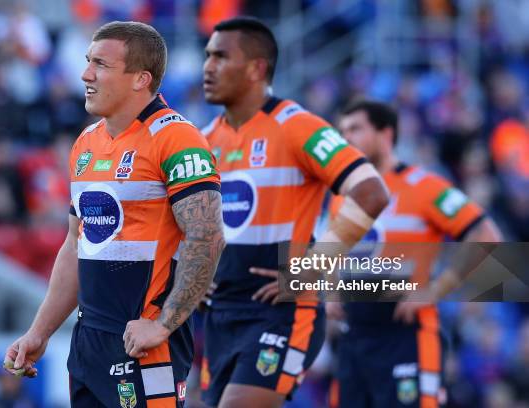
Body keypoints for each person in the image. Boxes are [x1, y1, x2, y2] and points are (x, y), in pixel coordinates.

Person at [3, 21, 225, 408]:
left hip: (144, 344)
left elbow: (207, 236)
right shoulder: (86, 143)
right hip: (88, 342)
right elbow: (75, 244)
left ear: (141, 79)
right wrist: (39, 333)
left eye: (101, 65)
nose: (86, 73)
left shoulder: (177, 138)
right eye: (89, 61)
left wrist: (162, 324)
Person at [199, 17, 389, 408]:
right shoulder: (204, 140)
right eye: (207, 55)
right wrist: (191, 274)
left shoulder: (296, 127)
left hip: (282, 312)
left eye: (220, 56)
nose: (208, 66)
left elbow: (371, 193)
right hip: (221, 316)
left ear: (256, 68)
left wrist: (311, 268)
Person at [328, 100, 503, 408]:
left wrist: (435, 290)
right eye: (342, 131)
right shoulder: (343, 195)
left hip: (407, 336)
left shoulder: (424, 187)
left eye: (355, 128)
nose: (346, 139)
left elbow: (486, 236)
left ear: (386, 134)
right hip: (353, 338)